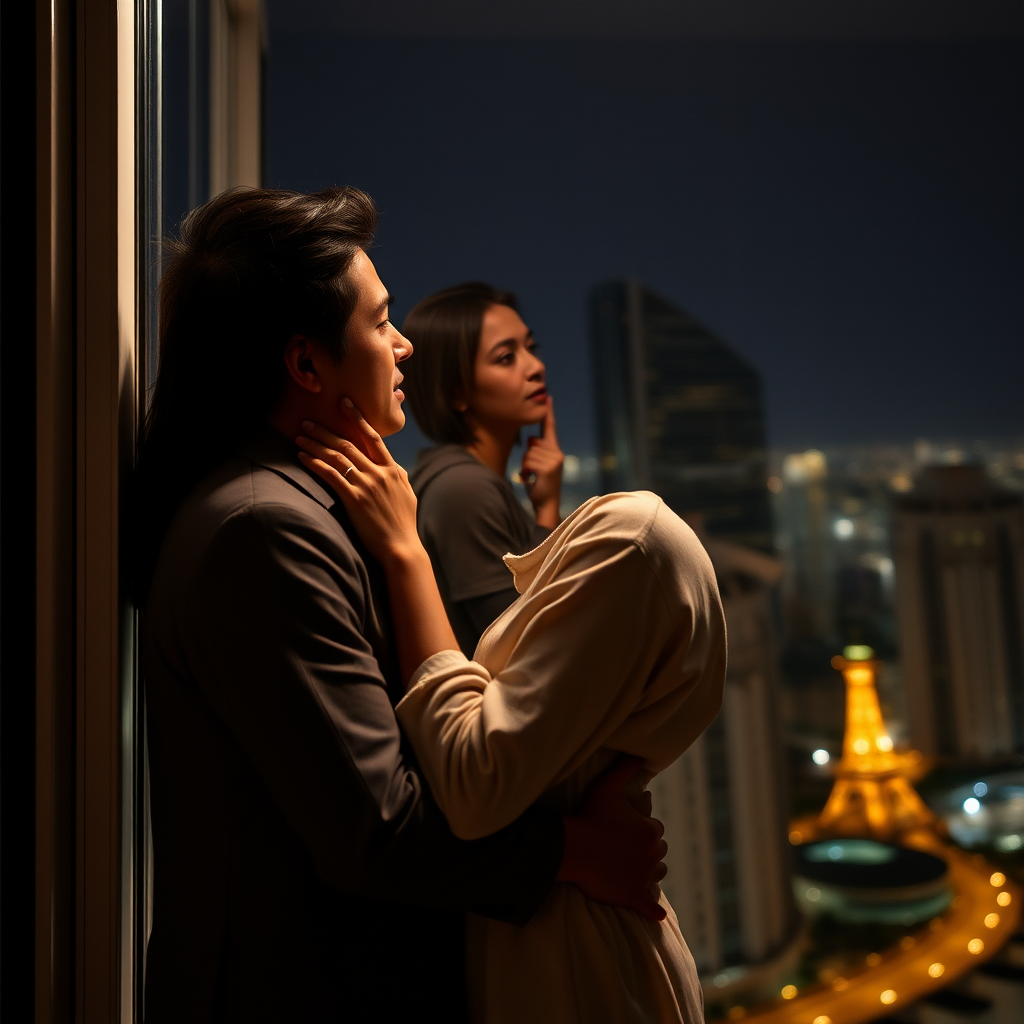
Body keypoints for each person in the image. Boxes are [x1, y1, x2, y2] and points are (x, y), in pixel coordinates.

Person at [132, 186, 668, 1024]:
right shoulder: (262, 531)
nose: (403, 344)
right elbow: (375, 825)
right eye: (381, 323)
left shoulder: (297, 504)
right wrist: (576, 851)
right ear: (307, 365)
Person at [297, 407, 728, 1023]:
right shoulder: (606, 538)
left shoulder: (634, 544)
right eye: (383, 318)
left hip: (578, 962)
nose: (403, 345)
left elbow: (477, 777)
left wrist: (407, 553)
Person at [402, 283, 565, 654]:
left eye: (531, 348)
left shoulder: (476, 481)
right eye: (507, 357)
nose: (536, 367)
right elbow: (525, 651)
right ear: (456, 393)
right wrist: (547, 510)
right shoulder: (463, 489)